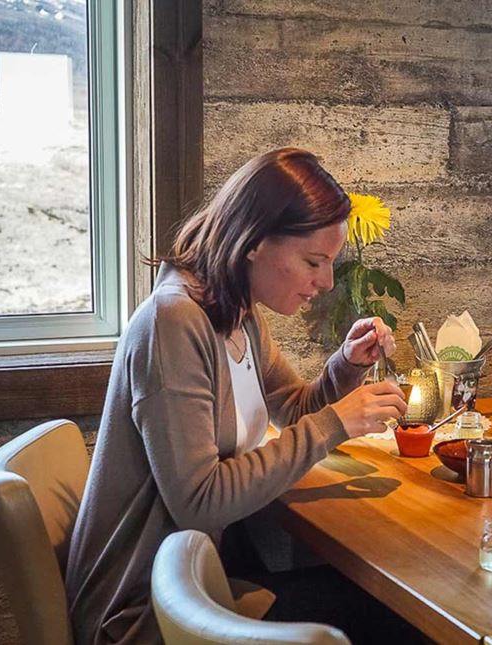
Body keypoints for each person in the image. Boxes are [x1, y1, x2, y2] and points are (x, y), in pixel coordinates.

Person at [65, 148, 409, 644]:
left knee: (371, 602)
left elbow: (292, 407)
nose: (326, 282)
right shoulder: (175, 323)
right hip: (144, 612)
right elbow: (200, 503)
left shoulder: (234, 309)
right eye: (314, 261)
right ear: (254, 242)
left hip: (196, 579)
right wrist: (337, 423)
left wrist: (347, 365)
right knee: (389, 618)